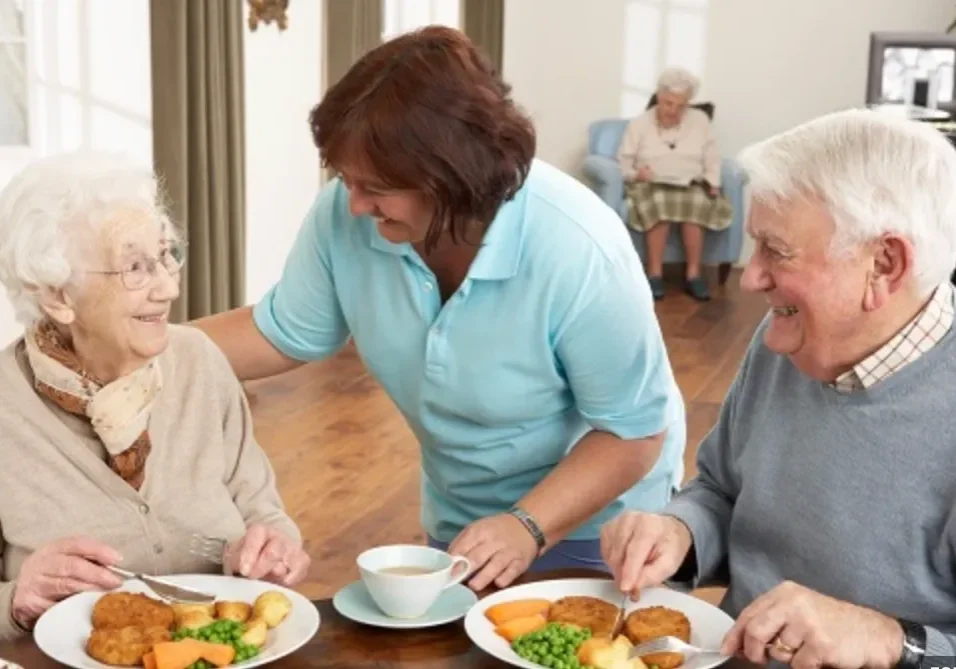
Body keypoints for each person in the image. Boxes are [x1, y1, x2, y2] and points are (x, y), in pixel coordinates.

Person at [194, 26, 686, 592]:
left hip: (602, 527)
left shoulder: (578, 245)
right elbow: (281, 332)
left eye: (375, 186)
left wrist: (528, 524)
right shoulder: (350, 215)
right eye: (345, 179)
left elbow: (633, 433)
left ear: (454, 177)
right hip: (465, 520)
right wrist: (137, 347)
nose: (353, 203)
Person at [601, 108, 956, 667]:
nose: (750, 277)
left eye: (776, 249)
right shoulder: (787, 336)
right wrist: (680, 531)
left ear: (884, 263)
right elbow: (720, 488)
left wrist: (891, 640)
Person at [0, 152, 310, 641]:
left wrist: (273, 549)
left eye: (166, 255)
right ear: (57, 296)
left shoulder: (199, 361)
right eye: (135, 268)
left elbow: (263, 512)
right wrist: (16, 599)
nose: (168, 287)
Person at [617, 67, 734, 302]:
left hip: (690, 182)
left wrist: (713, 182)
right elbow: (624, 162)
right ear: (659, 97)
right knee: (660, 203)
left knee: (697, 203)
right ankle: (655, 274)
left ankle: (693, 275)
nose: (673, 110)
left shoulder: (699, 120)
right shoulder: (640, 124)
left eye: (681, 105)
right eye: (669, 103)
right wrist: (636, 174)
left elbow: (712, 156)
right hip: (650, 183)